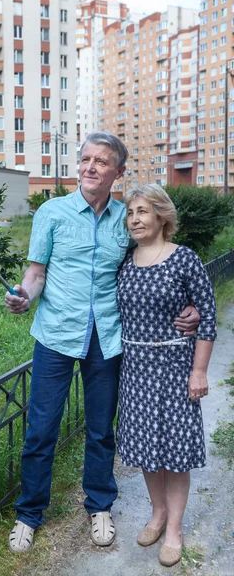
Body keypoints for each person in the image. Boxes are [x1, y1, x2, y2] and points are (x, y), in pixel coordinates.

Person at [4, 132, 199, 553]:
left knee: (100, 430)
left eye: (101, 161)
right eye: (86, 159)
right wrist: (23, 296)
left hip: (108, 339)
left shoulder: (125, 218)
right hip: (56, 335)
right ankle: (29, 513)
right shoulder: (52, 213)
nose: (90, 167)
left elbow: (157, 261)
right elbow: (35, 274)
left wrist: (194, 305)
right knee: (41, 430)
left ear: (118, 172)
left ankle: (100, 506)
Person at [117, 184, 216, 567]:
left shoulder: (184, 259)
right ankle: (157, 512)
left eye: (142, 211)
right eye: (130, 213)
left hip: (175, 369)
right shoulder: (126, 258)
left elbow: (205, 318)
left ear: (162, 216)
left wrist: (199, 371)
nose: (135, 219)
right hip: (136, 370)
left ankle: (174, 528)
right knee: (145, 448)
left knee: (175, 452)